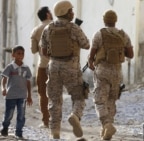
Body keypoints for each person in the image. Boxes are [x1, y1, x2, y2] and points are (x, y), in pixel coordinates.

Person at [40, 0, 90, 140]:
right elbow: (86, 45)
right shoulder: (74, 28)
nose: (73, 13)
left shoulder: (48, 29)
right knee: (79, 96)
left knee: (55, 100)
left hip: (54, 66)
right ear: (65, 12)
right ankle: (75, 116)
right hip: (71, 67)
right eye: (70, 11)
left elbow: (44, 51)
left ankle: (55, 130)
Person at [87, 10, 134, 140]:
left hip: (102, 71)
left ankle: (107, 125)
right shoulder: (123, 35)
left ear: (104, 20)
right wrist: (119, 50)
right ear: (115, 20)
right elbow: (130, 54)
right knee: (111, 100)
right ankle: (107, 129)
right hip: (116, 72)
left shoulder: (99, 34)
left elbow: (92, 55)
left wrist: (91, 62)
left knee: (99, 100)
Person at [0, 45, 33, 139]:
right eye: (18, 53)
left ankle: (19, 132)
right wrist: (3, 88)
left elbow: (28, 82)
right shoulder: (10, 67)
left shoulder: (26, 68)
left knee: (21, 114)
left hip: (22, 96)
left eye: (22, 53)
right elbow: (4, 78)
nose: (20, 55)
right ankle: (5, 127)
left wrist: (29, 96)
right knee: (8, 114)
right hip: (10, 95)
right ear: (13, 55)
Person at [30, 6, 53, 128]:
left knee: (43, 93)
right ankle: (56, 120)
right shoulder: (59, 26)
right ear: (48, 14)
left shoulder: (36, 30)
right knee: (56, 93)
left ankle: (46, 120)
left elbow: (33, 50)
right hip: (58, 66)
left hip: (43, 65)